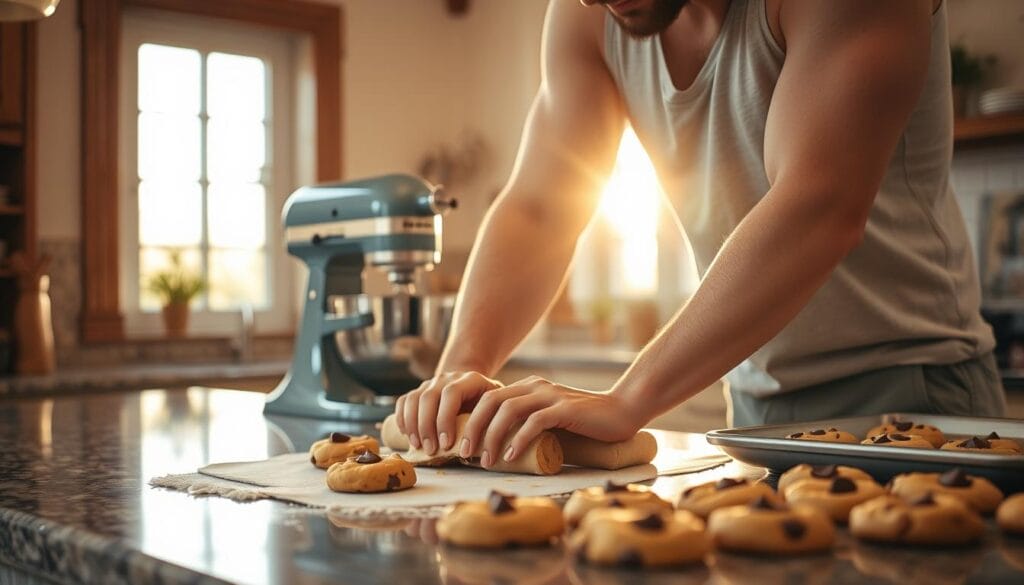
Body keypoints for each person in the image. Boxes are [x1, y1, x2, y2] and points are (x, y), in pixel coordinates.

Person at [393, 0, 1005, 468]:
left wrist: (628, 398)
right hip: (757, 408)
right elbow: (539, 209)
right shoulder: (586, 20)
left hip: (914, 391)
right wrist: (457, 376)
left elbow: (818, 203)